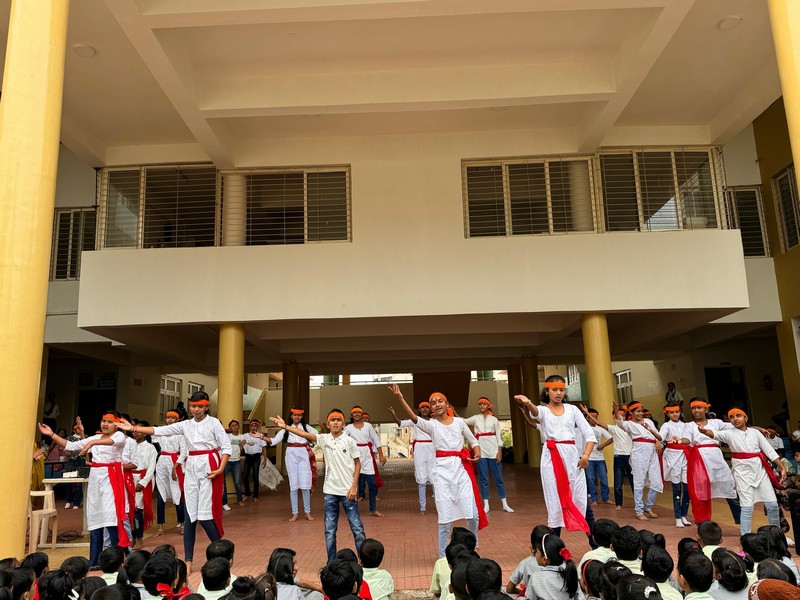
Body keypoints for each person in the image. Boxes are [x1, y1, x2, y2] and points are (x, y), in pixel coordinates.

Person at [116, 391, 232, 572]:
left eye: (200, 406)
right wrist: (133, 429)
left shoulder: (214, 423)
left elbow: (226, 447)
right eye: (193, 406)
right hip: (191, 466)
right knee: (190, 515)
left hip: (209, 465)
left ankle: (224, 552)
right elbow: (159, 430)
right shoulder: (185, 425)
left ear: (206, 406)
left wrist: (220, 469)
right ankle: (188, 560)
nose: (196, 409)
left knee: (204, 516)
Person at [388, 385, 485, 558]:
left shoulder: (459, 422)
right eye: (433, 402)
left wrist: (477, 451)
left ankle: (472, 547)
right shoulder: (431, 425)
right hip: (441, 473)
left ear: (447, 403)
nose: (437, 404)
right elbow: (413, 418)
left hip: (461, 471)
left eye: (440, 401)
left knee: (473, 514)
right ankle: (442, 557)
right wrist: (401, 398)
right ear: (431, 408)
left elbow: (472, 440)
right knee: (444, 519)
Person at [270, 408, 365, 563]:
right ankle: (331, 563)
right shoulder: (324, 439)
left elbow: (357, 464)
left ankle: (364, 563)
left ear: (343, 424)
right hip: (330, 492)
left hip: (348, 492)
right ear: (328, 424)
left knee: (357, 529)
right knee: (329, 531)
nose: (335, 422)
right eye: (332, 419)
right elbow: (305, 434)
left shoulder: (349, 441)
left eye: (339, 419)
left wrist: (354, 486)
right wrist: (286, 427)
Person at [38, 412, 130, 567]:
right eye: (103, 420)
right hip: (95, 481)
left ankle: (116, 560)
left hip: (111, 481)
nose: (105, 424)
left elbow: (111, 441)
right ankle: (94, 561)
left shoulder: (119, 436)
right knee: (95, 521)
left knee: (111, 520)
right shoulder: (95, 438)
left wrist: (90, 444)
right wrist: (51, 434)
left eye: (109, 421)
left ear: (117, 424)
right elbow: (71, 446)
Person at [514, 375, 596, 534]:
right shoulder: (543, 410)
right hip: (551, 458)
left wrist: (585, 455)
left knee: (581, 499)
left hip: (573, 458)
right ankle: (554, 551)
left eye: (561, 389)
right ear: (547, 391)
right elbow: (535, 412)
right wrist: (528, 403)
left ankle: (596, 545)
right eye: (554, 389)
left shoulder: (573, 409)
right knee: (555, 502)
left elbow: (589, 434)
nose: (558, 393)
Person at [697, 408, 786, 534]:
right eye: (732, 417)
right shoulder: (729, 433)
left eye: (738, 415)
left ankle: (777, 536)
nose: (735, 418)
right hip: (742, 474)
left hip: (760, 472)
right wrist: (704, 431)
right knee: (747, 507)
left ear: (746, 418)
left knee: (772, 505)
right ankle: (745, 538)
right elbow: (714, 434)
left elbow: (769, 451)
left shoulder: (755, 433)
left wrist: (782, 467)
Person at [684, 398, 740, 525]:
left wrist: (756, 429)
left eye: (699, 407)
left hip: (716, 459)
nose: (696, 410)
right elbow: (686, 439)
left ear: (706, 409)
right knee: (700, 491)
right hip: (699, 461)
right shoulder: (689, 425)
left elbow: (736, 425)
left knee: (729, 486)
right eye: (693, 408)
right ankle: (702, 523)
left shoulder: (716, 422)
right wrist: (680, 441)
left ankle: (742, 520)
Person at [614, 401, 663, 521]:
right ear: (631, 412)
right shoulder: (629, 424)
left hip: (652, 452)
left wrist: (657, 441)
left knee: (657, 482)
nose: (641, 413)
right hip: (639, 452)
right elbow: (619, 422)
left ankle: (648, 505)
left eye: (642, 411)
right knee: (639, 482)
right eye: (638, 411)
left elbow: (658, 436)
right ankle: (639, 510)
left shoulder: (649, 421)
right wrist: (616, 411)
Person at [265, 408, 316, 521]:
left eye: (299, 415)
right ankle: (295, 513)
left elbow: (317, 435)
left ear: (302, 416)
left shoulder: (306, 427)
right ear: (291, 416)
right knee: (293, 485)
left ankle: (307, 512)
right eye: (295, 415)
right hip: (291, 454)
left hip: (303, 453)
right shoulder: (286, 428)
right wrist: (262, 437)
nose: (297, 417)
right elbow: (274, 440)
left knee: (305, 485)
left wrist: (321, 428)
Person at [463, 397, 513, 514]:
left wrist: (499, 452)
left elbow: (499, 437)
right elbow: (463, 421)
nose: (481, 406)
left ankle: (504, 504)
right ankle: (486, 505)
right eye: (480, 404)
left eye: (484, 404)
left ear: (488, 406)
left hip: (493, 450)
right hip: (481, 452)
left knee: (499, 478)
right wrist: (452, 413)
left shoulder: (494, 420)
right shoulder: (476, 418)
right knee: (483, 479)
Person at [388, 403, 435, 514]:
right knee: (421, 478)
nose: (425, 409)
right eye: (423, 407)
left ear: (430, 409)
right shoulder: (415, 420)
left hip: (432, 449)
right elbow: (400, 423)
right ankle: (422, 508)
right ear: (419, 409)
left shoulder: (434, 421)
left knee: (435, 478)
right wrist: (394, 415)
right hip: (419, 449)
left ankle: (439, 506)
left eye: (427, 407)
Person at [345, 406, 386, 517]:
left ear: (362, 414)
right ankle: (351, 509)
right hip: (354, 457)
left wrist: (381, 455)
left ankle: (373, 509)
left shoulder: (368, 426)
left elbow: (376, 439)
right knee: (352, 484)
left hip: (367, 457)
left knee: (372, 484)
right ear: (352, 415)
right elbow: (342, 441)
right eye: (355, 413)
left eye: (359, 412)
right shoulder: (348, 428)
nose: (357, 414)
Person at [152, 410, 186, 537]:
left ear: (177, 420)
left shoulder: (180, 435)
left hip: (174, 462)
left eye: (173, 417)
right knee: (161, 494)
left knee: (177, 495)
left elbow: (184, 452)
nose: (170, 419)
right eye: (168, 417)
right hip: (162, 461)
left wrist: (175, 466)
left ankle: (182, 523)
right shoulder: (161, 432)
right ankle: (160, 527)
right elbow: (151, 435)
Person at [660, 404, 692, 528]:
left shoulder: (685, 425)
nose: (675, 414)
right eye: (672, 412)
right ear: (667, 414)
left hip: (684, 456)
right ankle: (677, 517)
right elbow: (661, 437)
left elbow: (689, 439)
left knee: (687, 487)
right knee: (677, 489)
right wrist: (654, 435)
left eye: (677, 412)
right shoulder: (666, 426)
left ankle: (684, 515)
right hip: (672, 457)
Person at [526, 533, 579, 600]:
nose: (535, 554)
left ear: (545, 559)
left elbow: (530, 598)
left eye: (536, 552)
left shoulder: (536, 577)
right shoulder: (570, 573)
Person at [131, 422, 157, 550]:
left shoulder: (150, 448)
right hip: (130, 478)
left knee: (137, 511)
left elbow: (152, 467)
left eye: (139, 430)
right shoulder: (130, 445)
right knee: (129, 510)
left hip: (143, 479)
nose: (135, 432)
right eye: (134, 430)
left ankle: (139, 538)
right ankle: (132, 536)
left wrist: (143, 482)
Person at [584, 408, 612, 507]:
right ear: (587, 417)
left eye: (596, 417)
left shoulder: (600, 429)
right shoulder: (583, 428)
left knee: (604, 478)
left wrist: (603, 445)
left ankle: (606, 497)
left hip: (600, 458)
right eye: (592, 417)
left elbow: (611, 438)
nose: (594, 418)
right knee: (591, 479)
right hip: (589, 458)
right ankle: (594, 498)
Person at [241, 420, 267, 503]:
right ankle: (248, 494)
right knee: (245, 476)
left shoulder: (261, 436)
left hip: (256, 457)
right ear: (249, 427)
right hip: (248, 457)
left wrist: (265, 459)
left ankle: (256, 495)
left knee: (255, 476)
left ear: (257, 427)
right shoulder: (245, 435)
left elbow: (264, 447)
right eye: (252, 426)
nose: (253, 428)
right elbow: (242, 443)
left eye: (255, 426)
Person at [222, 420, 244, 511]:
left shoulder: (242, 437)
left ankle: (239, 499)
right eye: (232, 425)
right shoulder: (227, 436)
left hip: (236, 462)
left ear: (239, 427)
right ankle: (224, 502)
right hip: (227, 462)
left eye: (236, 425)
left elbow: (251, 442)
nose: (234, 427)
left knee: (237, 482)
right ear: (230, 428)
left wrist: (244, 443)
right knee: (222, 481)